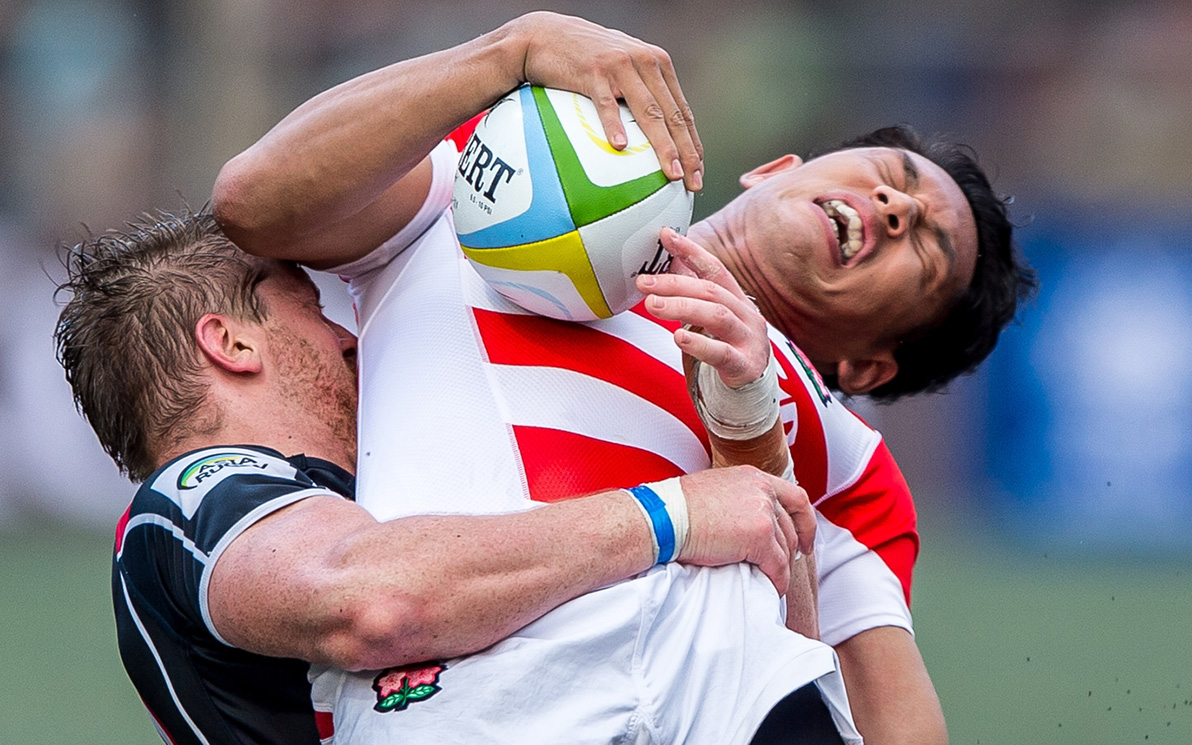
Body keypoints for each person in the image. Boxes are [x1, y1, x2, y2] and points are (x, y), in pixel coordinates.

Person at [212, 10, 1035, 745]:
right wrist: (511, 50)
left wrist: (753, 441)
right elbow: (253, 202)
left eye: (926, 250)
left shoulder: (844, 457)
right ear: (774, 167)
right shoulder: (499, 181)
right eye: (894, 175)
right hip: (463, 706)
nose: (895, 209)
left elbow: (896, 732)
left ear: (867, 365)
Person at [53, 209, 820, 745]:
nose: (348, 334)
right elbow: (370, 602)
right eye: (312, 307)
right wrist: (674, 513)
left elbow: (785, 653)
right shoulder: (186, 501)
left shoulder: (381, 506)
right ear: (232, 343)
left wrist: (746, 430)